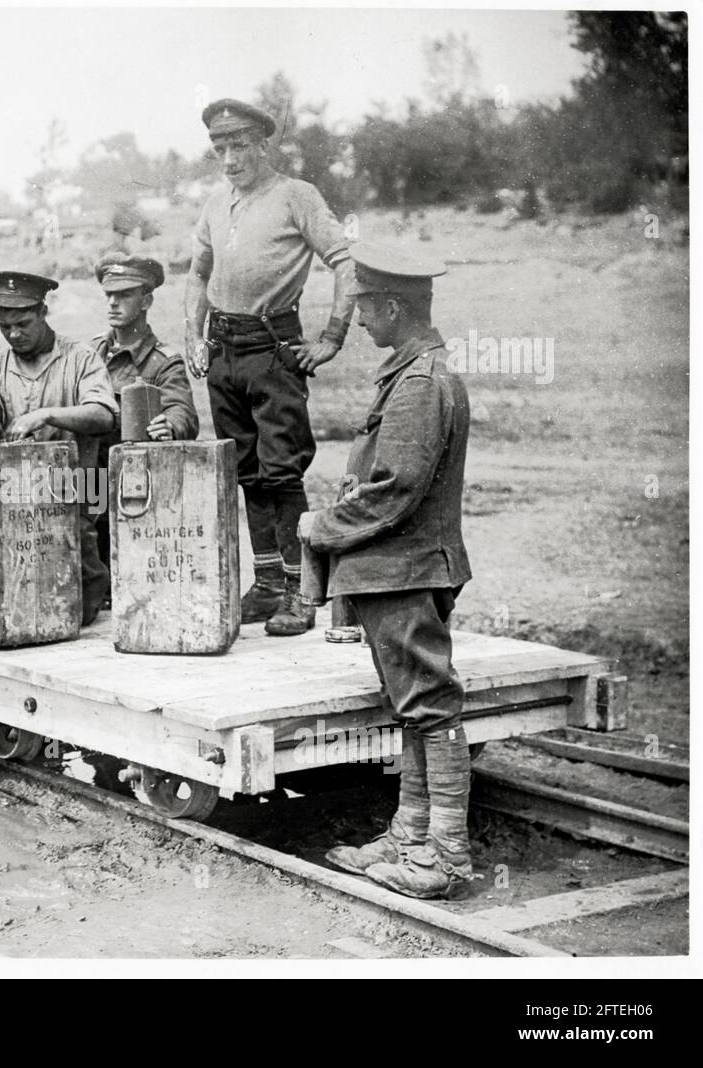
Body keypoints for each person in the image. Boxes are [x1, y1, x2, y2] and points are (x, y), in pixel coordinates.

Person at [298, 241, 473, 899]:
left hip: (404, 570)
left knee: (430, 707)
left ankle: (445, 857)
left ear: (393, 306)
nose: (360, 319)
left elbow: (396, 487)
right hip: (396, 571)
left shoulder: (420, 384)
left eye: (365, 305)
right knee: (415, 707)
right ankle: (412, 837)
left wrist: (322, 528)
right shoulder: (414, 374)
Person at [185, 96, 356, 636]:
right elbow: (197, 273)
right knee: (247, 473)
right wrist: (192, 333)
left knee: (282, 473)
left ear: (264, 145)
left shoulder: (296, 196)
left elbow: (344, 260)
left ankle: (300, 591)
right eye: (220, 148)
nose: (230, 158)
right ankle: (265, 585)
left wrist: (331, 337)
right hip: (223, 349)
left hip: (273, 348)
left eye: (239, 146)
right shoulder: (215, 203)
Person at [0, 271, 118, 626]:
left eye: (23, 323)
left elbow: (104, 415)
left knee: (80, 610)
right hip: (18, 503)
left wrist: (44, 415)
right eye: (4, 325)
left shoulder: (82, 358)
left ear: (43, 312)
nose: (14, 334)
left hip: (82, 491)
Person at [89, 252, 199, 593]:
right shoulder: (89, 354)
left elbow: (182, 410)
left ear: (147, 300)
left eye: (124, 296)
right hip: (90, 475)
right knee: (87, 537)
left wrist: (171, 424)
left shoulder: (162, 360)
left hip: (133, 481)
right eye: (109, 295)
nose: (113, 303)